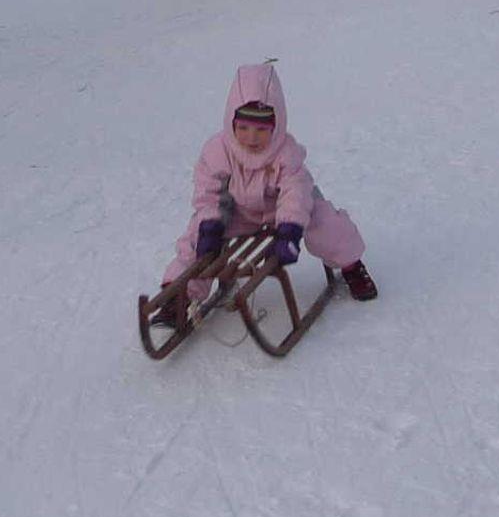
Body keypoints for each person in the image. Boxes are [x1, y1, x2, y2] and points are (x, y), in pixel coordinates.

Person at [152, 62, 377, 324]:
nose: (251, 137)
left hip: (284, 211)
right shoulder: (218, 151)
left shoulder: (286, 152)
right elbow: (208, 193)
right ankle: (179, 295)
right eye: (243, 128)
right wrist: (211, 225)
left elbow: (295, 194)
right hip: (239, 213)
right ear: (231, 122)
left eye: (261, 130)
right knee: (194, 237)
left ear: (276, 125)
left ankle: (351, 265)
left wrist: (290, 229)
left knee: (325, 221)